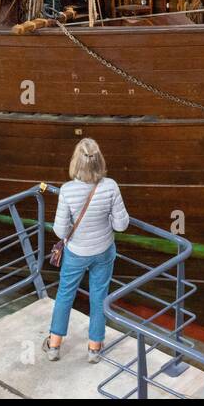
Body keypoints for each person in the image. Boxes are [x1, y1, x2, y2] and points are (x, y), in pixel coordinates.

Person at [44, 138, 129, 364]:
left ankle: (54, 345)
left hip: (77, 253)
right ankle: (94, 348)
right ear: (99, 160)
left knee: (65, 295)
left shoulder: (67, 191)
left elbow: (59, 230)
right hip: (103, 251)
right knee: (99, 296)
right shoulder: (110, 186)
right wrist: (107, 217)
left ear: (75, 162)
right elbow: (121, 225)